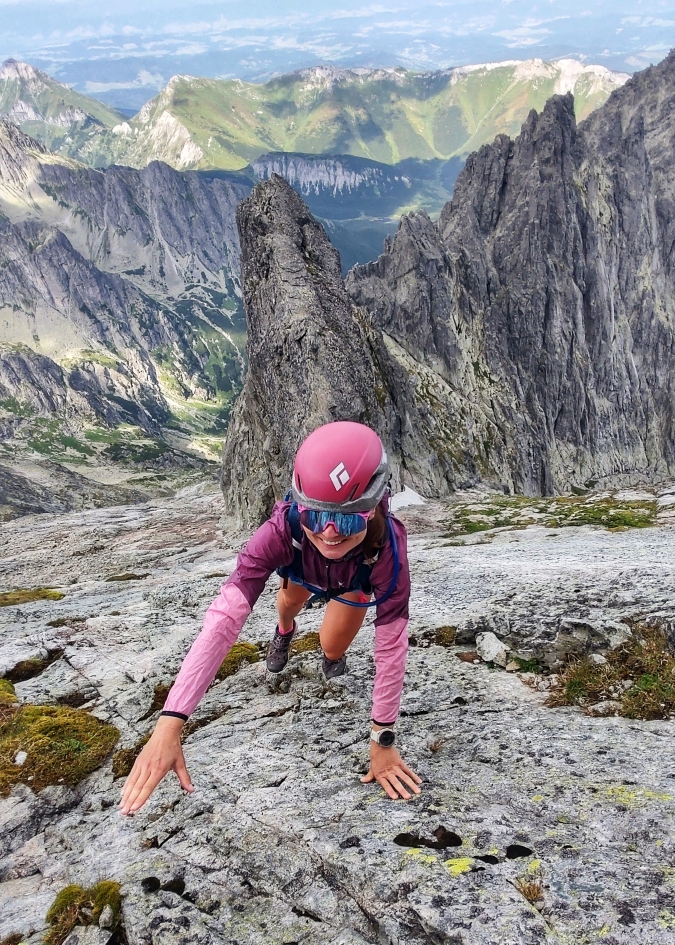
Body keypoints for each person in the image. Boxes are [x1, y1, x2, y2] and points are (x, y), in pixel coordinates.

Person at [120, 421, 421, 814]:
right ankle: (285, 630)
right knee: (288, 604)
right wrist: (170, 721)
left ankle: (327, 653)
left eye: (346, 519)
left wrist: (382, 739)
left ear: (375, 505)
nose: (329, 533)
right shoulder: (282, 530)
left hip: (353, 580)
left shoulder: (388, 551)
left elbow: (391, 646)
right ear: (299, 507)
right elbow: (224, 619)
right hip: (302, 569)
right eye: (314, 515)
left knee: (331, 647)